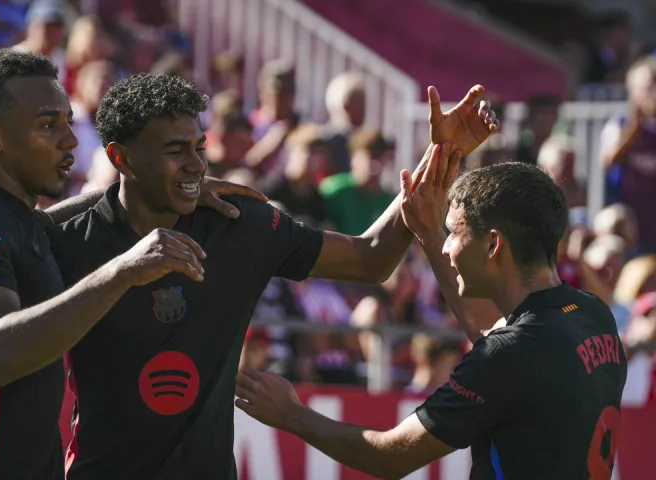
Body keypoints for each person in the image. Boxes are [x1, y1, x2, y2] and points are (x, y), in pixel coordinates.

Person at [47, 73, 499, 479]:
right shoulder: (67, 240)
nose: (197, 165)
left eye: (198, 148)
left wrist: (442, 152)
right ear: (119, 158)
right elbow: (17, 246)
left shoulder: (236, 224)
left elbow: (370, 259)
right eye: (175, 151)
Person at [0, 49, 267, 480]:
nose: (70, 139)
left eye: (66, 120)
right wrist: (120, 271)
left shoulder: (15, 220)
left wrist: (167, 184)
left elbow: (48, 222)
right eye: (48, 125)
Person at [235, 162, 627, 479]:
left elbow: (390, 458)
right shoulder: (592, 313)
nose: (445, 247)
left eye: (452, 233)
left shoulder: (508, 354)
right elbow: (500, 339)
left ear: (493, 244)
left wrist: (291, 414)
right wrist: (424, 229)